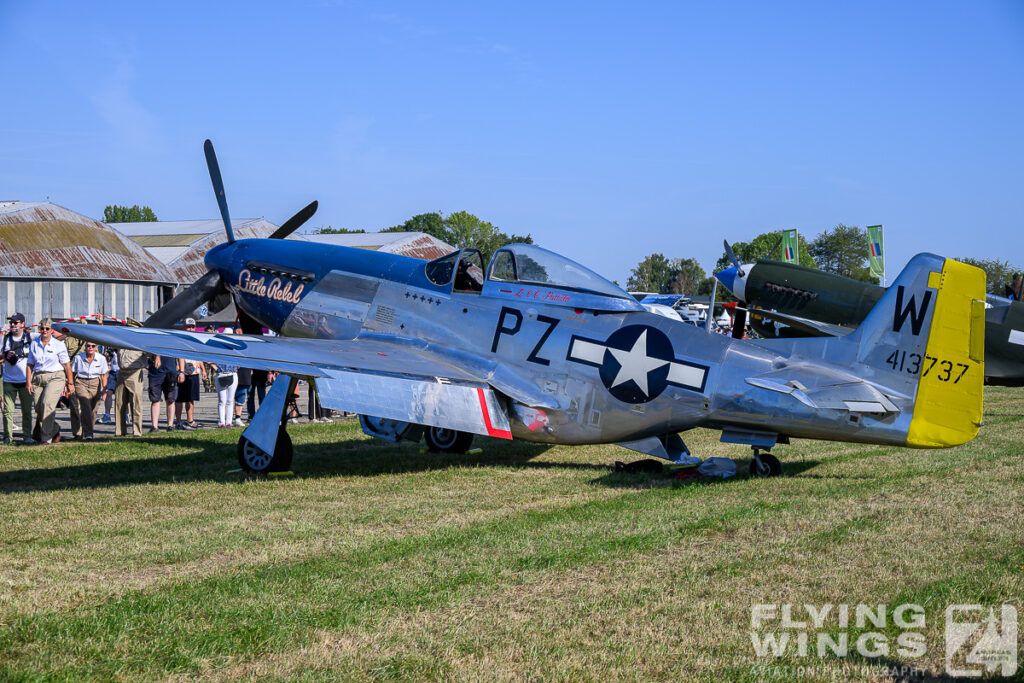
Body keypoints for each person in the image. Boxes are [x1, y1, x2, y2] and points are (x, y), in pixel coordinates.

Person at [25, 318, 73, 445]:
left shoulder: (58, 345)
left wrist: (70, 383)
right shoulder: (34, 344)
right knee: (38, 408)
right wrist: (28, 382)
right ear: (39, 329)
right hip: (38, 377)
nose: (44, 331)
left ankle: (46, 438)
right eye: (42, 328)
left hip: (55, 377)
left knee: (47, 404)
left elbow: (67, 365)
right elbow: (29, 364)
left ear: (52, 330)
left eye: (47, 328)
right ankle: (55, 428)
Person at [1, 313, 34, 444]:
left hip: (26, 381)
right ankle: (8, 436)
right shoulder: (4, 339)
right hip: (9, 380)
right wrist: (4, 355)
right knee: (8, 411)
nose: (13, 325)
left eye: (15, 322)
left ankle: (27, 437)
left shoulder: (30, 338)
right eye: (11, 323)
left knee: (27, 411)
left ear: (22, 324)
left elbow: (53, 337)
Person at [70, 342, 109, 440]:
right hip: (80, 382)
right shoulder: (78, 358)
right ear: (85, 347)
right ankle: (89, 434)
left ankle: (86, 432)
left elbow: (104, 375)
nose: (90, 348)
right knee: (85, 405)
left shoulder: (101, 358)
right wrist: (70, 385)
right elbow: (73, 373)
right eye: (88, 346)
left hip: (95, 382)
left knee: (93, 410)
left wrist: (104, 390)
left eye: (93, 346)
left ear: (96, 347)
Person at [174, 318, 206, 431]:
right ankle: (178, 421)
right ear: (184, 326)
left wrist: (203, 369)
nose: (191, 329)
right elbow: (177, 355)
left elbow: (199, 356)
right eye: (188, 326)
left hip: (194, 372)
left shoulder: (196, 340)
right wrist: (179, 370)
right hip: (183, 372)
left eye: (192, 327)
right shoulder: (180, 339)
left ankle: (190, 420)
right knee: (179, 399)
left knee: (191, 398)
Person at [115, 347, 147, 437]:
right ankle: (119, 431)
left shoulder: (139, 341)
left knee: (136, 403)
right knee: (119, 402)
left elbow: (152, 351)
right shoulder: (121, 340)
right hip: (121, 372)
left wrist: (157, 358)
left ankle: (136, 431)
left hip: (135, 372)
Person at [148, 353, 183, 432]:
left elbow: (180, 355)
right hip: (155, 373)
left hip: (170, 372)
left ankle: (170, 425)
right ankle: (154, 426)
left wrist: (181, 372)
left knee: (170, 400)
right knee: (155, 400)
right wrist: (156, 356)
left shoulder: (174, 341)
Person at [212, 360, 238, 428]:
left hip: (233, 374)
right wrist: (215, 367)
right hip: (221, 374)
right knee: (222, 401)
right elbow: (207, 359)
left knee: (230, 401)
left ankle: (229, 422)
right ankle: (221, 422)